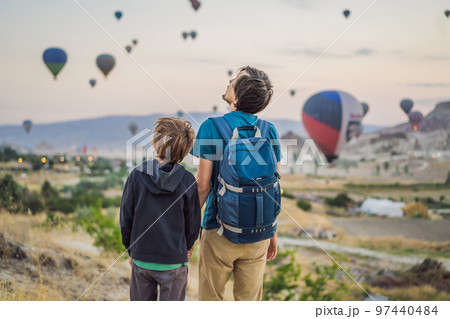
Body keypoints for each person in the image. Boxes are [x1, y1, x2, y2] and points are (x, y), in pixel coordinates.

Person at [191, 66, 282, 301]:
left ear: (238, 95)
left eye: (235, 80)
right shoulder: (268, 130)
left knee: (211, 300)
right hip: (259, 232)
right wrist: (272, 232)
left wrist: (188, 230)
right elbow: (274, 187)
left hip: (218, 228)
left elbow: (202, 186)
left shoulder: (212, 127)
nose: (229, 80)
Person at [120, 117, 201, 301]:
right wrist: (187, 247)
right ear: (185, 149)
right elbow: (193, 222)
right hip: (173, 261)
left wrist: (130, 249)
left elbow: (126, 218)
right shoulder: (188, 181)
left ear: (156, 141)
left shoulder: (136, 175)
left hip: (141, 257)